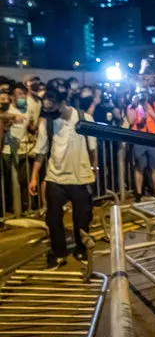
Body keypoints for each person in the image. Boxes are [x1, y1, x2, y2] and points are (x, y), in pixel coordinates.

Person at [28, 89, 98, 270]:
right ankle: (58, 253)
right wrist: (34, 177)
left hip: (80, 177)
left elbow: (92, 149)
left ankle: (82, 249)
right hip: (55, 177)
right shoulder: (48, 124)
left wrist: (93, 170)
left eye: (53, 104)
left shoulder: (85, 119)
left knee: (82, 217)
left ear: (62, 101)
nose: (50, 109)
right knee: (53, 218)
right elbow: (41, 152)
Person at [1, 83, 37, 214]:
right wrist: (12, 117)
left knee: (23, 179)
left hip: (23, 150)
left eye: (23, 94)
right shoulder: (7, 108)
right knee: (7, 181)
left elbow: (31, 126)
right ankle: (9, 209)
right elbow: (2, 116)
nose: (22, 97)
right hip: (7, 150)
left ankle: (25, 207)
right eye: (19, 95)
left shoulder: (28, 109)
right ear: (13, 97)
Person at [127, 89, 155, 202]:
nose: (142, 97)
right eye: (140, 94)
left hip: (153, 139)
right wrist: (134, 106)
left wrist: (149, 111)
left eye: (144, 94)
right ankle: (139, 193)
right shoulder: (132, 106)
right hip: (139, 139)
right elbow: (131, 121)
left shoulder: (153, 105)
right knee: (139, 167)